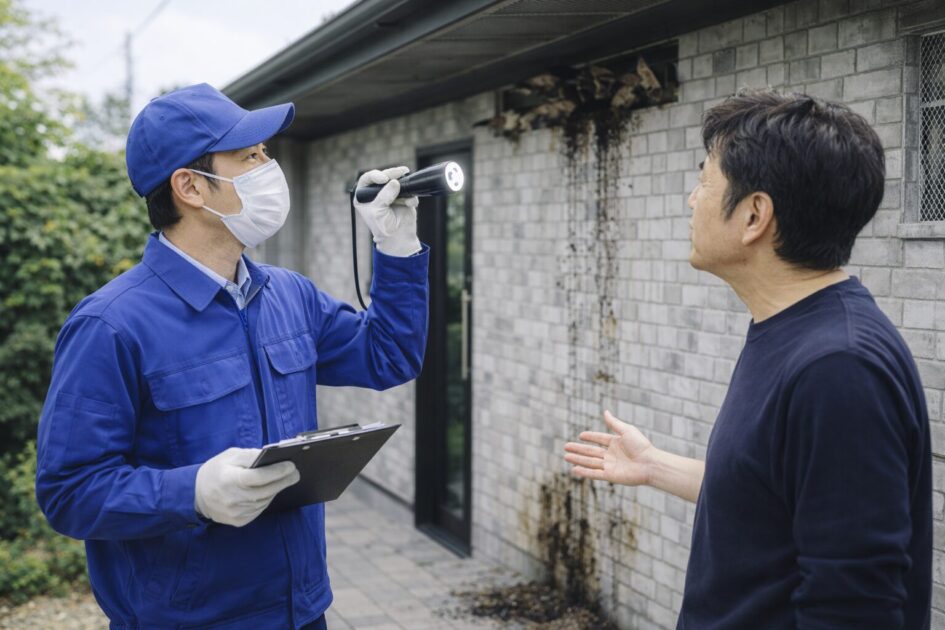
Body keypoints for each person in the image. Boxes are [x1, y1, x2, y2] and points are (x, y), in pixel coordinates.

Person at [35, 83, 429, 629]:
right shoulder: (112, 325)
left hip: (303, 609)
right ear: (191, 187)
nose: (269, 165)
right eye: (250, 156)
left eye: (266, 152)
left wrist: (397, 246)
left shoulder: (290, 295)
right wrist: (191, 492)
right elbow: (69, 492)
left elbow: (389, 357)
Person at [564, 90, 932, 628]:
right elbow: (777, 497)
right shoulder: (790, 331)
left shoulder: (838, 368)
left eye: (704, 183)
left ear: (755, 214)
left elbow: (855, 607)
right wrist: (654, 467)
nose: (692, 201)